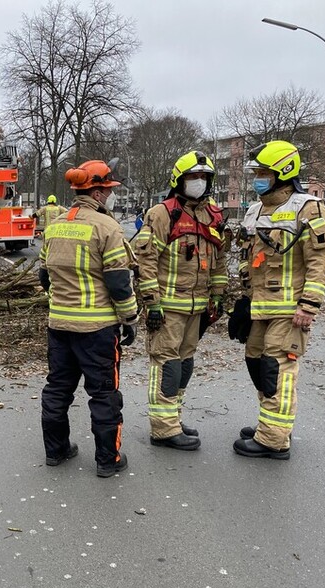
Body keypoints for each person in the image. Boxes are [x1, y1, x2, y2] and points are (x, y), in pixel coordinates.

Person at [233, 140, 325, 459]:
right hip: (259, 307)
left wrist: (309, 305)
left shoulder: (308, 208)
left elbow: (324, 260)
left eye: (264, 172)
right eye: (257, 172)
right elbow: (244, 256)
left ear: (283, 172)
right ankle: (271, 421)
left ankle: (274, 439)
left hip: (290, 309)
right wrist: (242, 300)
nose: (258, 178)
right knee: (256, 363)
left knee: (276, 369)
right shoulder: (254, 211)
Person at [39, 159, 138, 478]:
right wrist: (130, 318)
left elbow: (44, 275)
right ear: (96, 191)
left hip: (59, 326)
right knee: (104, 394)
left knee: (57, 389)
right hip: (96, 328)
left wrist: (59, 301)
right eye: (107, 190)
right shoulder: (107, 227)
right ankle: (108, 460)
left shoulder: (55, 226)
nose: (109, 195)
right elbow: (119, 282)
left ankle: (56, 451)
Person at [134, 151, 228, 451]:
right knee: (167, 365)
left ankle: (173, 418)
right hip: (168, 308)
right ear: (179, 180)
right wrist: (152, 302)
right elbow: (146, 261)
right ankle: (162, 429)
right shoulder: (162, 214)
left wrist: (217, 296)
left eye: (203, 177)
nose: (198, 182)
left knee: (185, 364)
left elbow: (219, 260)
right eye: (192, 177)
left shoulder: (211, 213)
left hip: (197, 306)